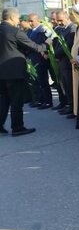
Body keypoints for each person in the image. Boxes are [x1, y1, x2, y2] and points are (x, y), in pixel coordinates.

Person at [0, 8, 47, 136]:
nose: (19, 21)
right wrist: (46, 45)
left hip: (1, 73)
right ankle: (17, 127)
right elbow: (33, 46)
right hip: (14, 72)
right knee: (16, 101)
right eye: (18, 18)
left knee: (3, 100)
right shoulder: (15, 31)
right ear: (11, 17)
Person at [54, 10, 76, 116]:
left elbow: (67, 46)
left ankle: (73, 107)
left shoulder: (72, 28)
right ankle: (69, 105)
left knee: (70, 85)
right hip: (62, 61)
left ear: (67, 18)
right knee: (65, 85)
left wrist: (55, 54)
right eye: (57, 21)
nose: (59, 23)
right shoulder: (61, 29)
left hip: (68, 61)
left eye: (61, 20)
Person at [27, 13, 52, 109]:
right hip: (32, 59)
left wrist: (44, 52)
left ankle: (48, 101)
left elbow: (45, 43)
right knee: (37, 82)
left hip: (40, 59)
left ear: (37, 20)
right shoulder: (30, 31)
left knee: (43, 82)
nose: (30, 23)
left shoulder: (42, 30)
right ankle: (40, 100)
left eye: (32, 21)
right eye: (29, 21)